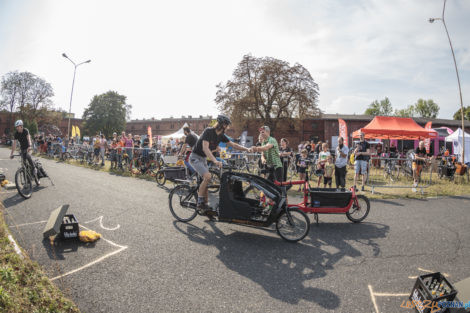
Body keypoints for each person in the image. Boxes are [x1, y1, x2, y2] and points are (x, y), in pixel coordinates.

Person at [190, 115, 250, 216]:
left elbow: (233, 145)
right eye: (226, 125)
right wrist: (215, 161)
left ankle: (206, 207)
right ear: (222, 124)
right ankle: (199, 202)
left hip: (203, 159)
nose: (227, 127)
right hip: (195, 157)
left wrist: (247, 149)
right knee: (208, 176)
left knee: (207, 182)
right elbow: (205, 148)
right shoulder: (208, 131)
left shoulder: (221, 135)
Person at [10, 120, 39, 185]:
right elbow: (14, 144)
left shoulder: (25, 130)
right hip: (22, 148)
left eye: (18, 126)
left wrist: (30, 146)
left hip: (29, 147)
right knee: (24, 164)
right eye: (16, 127)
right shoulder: (16, 134)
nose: (17, 128)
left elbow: (29, 139)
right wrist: (11, 153)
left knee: (28, 155)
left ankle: (34, 168)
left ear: (21, 126)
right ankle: (27, 178)